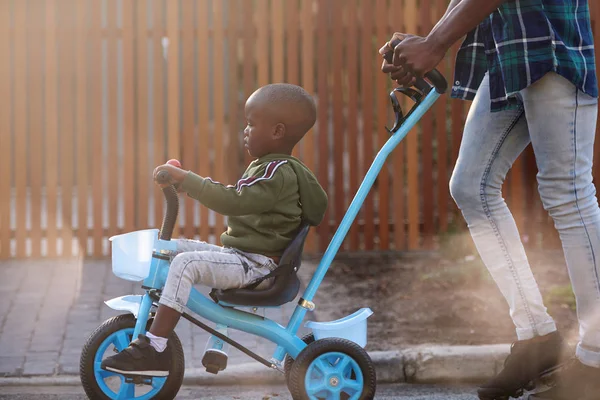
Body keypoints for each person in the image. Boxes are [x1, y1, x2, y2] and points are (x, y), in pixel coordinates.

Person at [380, 1, 600, 399]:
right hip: (508, 53)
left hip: (549, 44)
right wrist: (426, 42)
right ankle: (537, 337)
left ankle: (597, 361)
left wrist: (434, 42)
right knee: (470, 186)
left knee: (568, 193)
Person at [100, 83, 328, 377]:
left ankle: (155, 347)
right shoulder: (273, 168)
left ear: (277, 132)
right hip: (245, 258)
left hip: (256, 267)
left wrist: (189, 180)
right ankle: (161, 328)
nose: (245, 131)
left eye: (251, 124)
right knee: (175, 249)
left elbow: (233, 200)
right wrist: (185, 183)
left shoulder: (276, 173)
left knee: (185, 263)